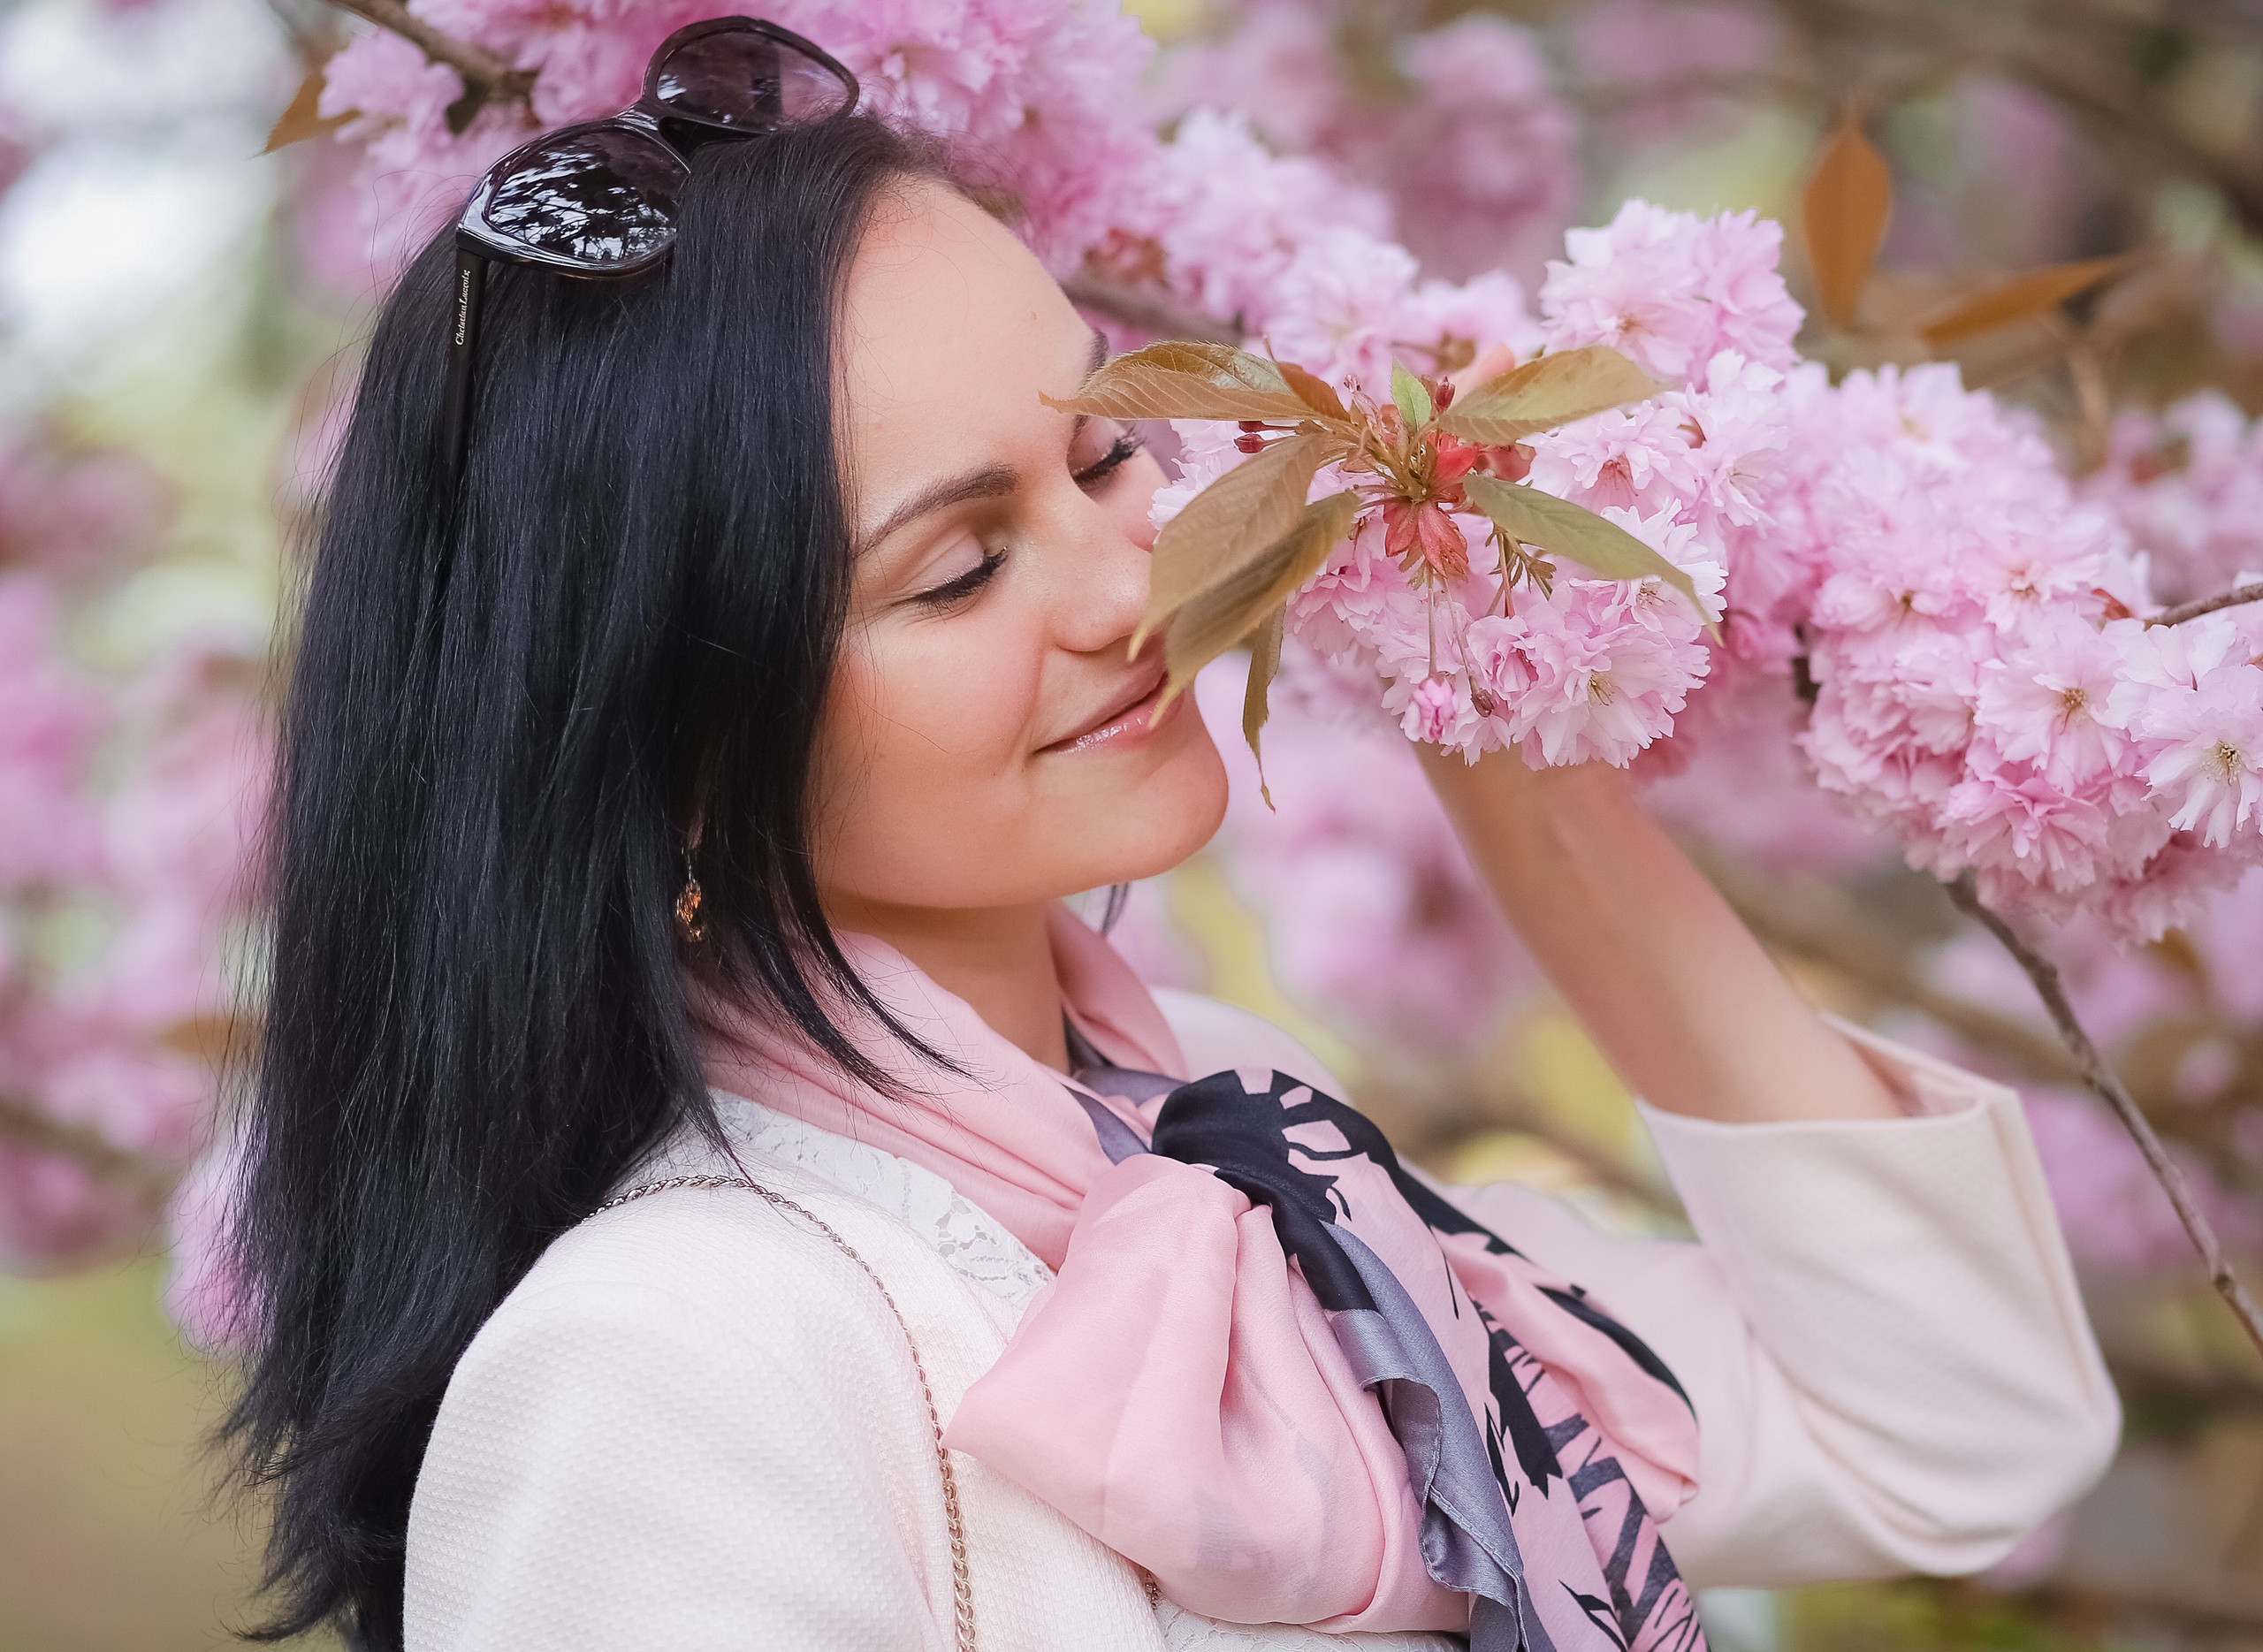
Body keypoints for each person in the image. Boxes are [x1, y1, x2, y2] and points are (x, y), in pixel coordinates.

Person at [225, 20, 2118, 1652]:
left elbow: (1945, 1424)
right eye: (958, 566)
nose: (1131, 583)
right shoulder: (674, 1361)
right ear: (686, 745)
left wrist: (1505, 716)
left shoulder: (1231, 1135)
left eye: (1108, 455)